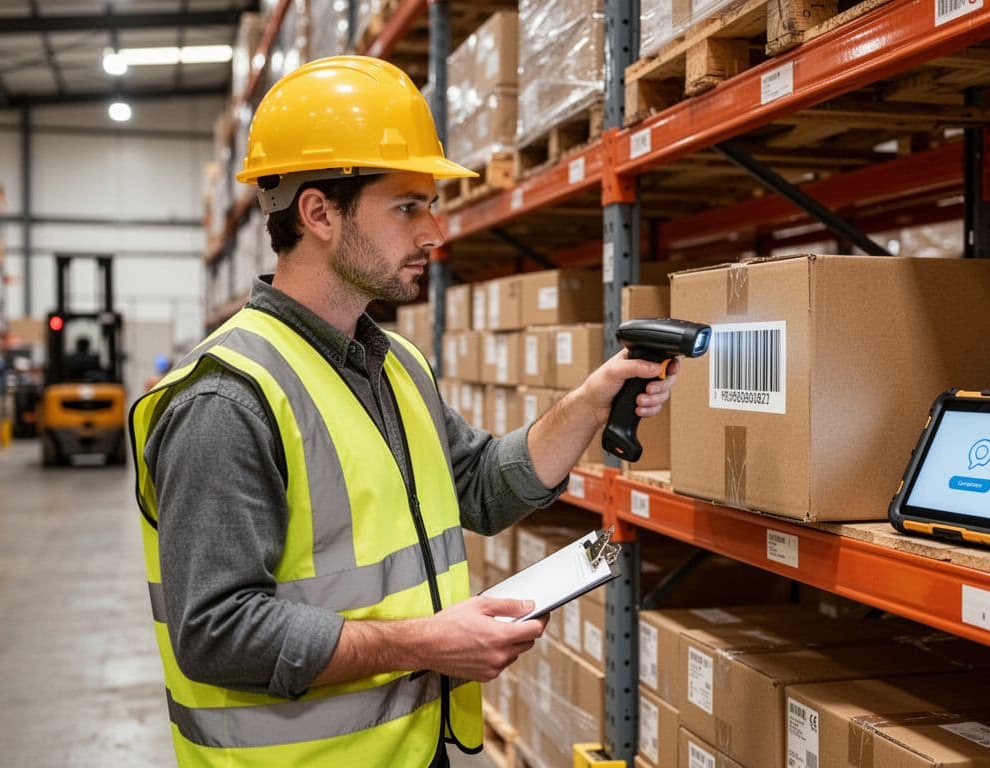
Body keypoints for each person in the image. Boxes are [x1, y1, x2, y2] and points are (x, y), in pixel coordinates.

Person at [128, 56, 679, 768]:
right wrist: (426, 643)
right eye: (407, 206)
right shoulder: (228, 399)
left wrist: (593, 398)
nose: (434, 233)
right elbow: (216, 632)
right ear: (319, 213)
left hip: (412, 752)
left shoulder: (394, 364)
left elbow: (478, 485)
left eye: (430, 205)